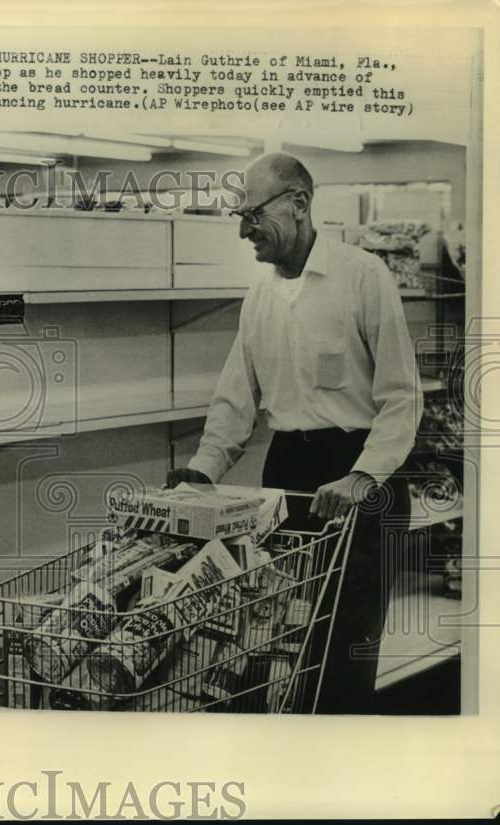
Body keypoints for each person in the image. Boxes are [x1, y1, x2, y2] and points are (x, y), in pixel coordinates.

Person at [167, 153, 422, 714]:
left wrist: (362, 476)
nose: (243, 230)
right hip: (286, 477)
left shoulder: (363, 277)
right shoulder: (259, 299)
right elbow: (236, 400)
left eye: (252, 213)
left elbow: (402, 398)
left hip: (360, 477)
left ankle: (337, 780)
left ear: (299, 204)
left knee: (344, 650)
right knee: (280, 639)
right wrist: (200, 474)